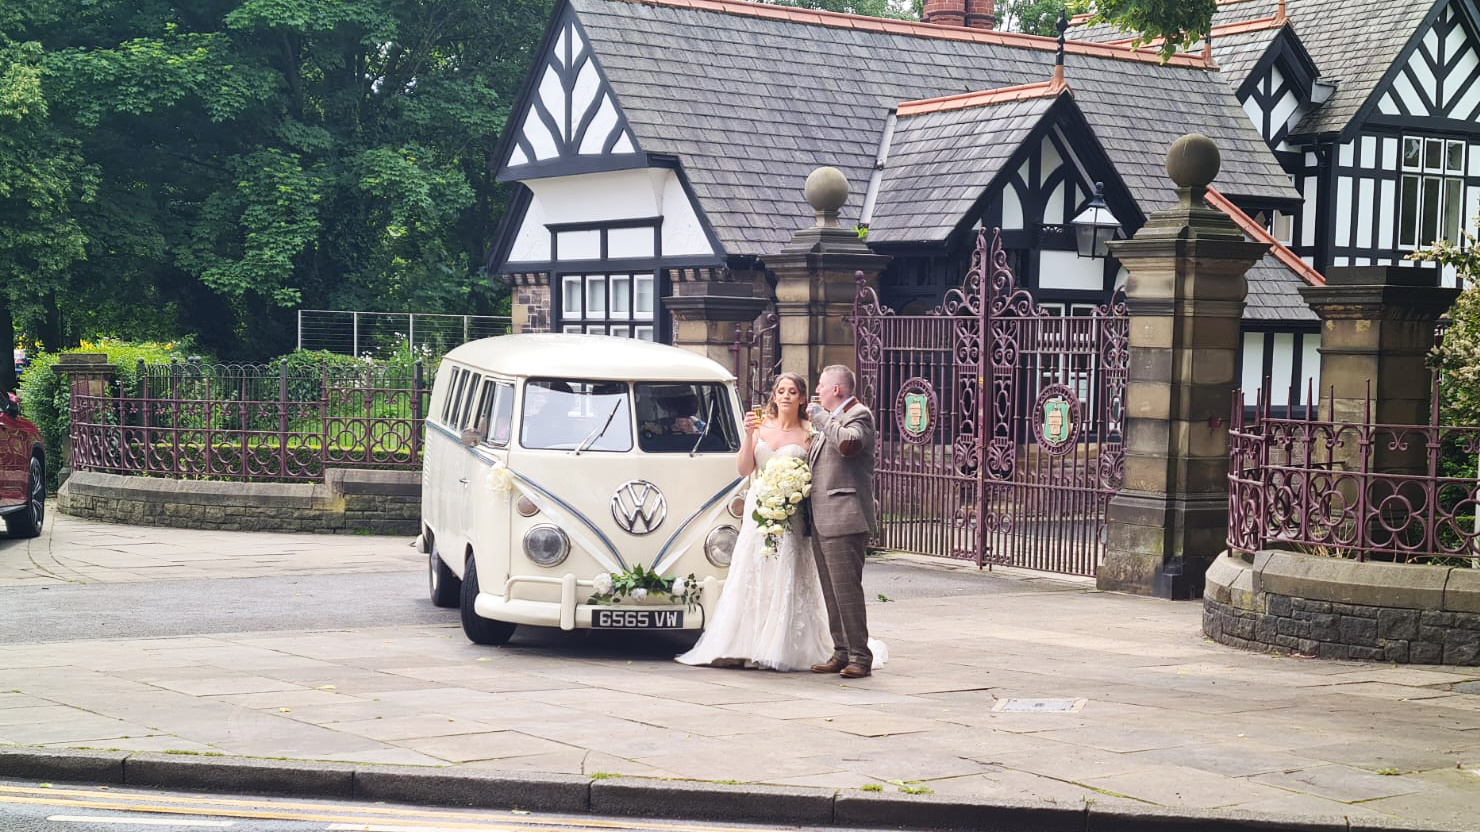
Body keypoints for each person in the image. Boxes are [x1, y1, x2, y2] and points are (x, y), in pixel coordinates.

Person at [675, 373, 833, 671]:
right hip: (757, 510)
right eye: (780, 391)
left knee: (786, 573)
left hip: (791, 514)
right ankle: (743, 643)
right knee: (751, 572)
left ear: (801, 398)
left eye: (792, 392)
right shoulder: (760, 428)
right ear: (774, 396)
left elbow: (817, 473)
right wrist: (748, 436)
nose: (785, 396)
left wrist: (794, 492)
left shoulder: (809, 432)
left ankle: (779, 643)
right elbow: (743, 469)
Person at [806, 364, 880, 679]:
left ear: (837, 389)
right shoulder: (833, 419)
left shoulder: (859, 415)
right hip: (823, 517)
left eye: (821, 386)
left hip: (845, 517)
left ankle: (861, 657)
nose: (817, 391)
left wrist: (821, 418)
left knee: (847, 590)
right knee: (832, 591)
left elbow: (849, 445)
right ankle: (841, 651)